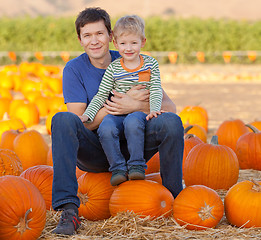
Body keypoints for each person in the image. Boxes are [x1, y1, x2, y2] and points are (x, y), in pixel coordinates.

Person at [51, 7, 184, 236]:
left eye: (99, 34)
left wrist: (135, 106)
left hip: (135, 147)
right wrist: (112, 108)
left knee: (171, 122)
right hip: (96, 149)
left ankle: (176, 199)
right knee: (62, 120)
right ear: (80, 40)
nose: (94, 41)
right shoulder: (74, 69)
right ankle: (69, 210)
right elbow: (79, 121)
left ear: (110, 36)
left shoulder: (131, 59)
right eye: (88, 35)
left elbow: (170, 107)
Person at [79, 15, 164, 186]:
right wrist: (87, 115)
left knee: (133, 123)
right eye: (123, 44)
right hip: (116, 113)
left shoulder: (150, 64)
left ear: (143, 42)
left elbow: (155, 89)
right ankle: (117, 167)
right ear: (116, 44)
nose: (129, 48)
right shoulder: (114, 68)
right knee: (106, 127)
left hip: (136, 112)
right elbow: (101, 95)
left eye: (134, 43)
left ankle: (136, 165)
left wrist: (154, 108)